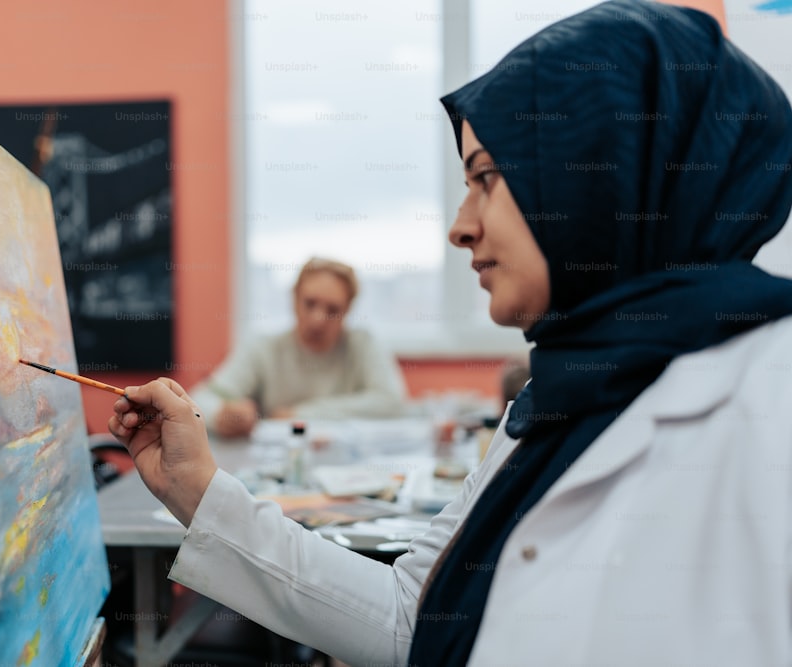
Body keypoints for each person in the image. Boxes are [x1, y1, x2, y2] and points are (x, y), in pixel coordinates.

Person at [108, 1, 792, 664]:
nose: (460, 225)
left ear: (606, 171)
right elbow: (414, 615)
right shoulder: (554, 395)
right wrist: (198, 492)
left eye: (486, 178)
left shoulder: (770, 398)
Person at [190, 256, 407, 437]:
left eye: (332, 309)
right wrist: (221, 415)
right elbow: (198, 402)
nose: (318, 320)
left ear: (348, 309)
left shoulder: (363, 345)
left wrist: (301, 414)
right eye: (310, 303)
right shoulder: (262, 349)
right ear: (294, 298)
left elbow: (392, 403)